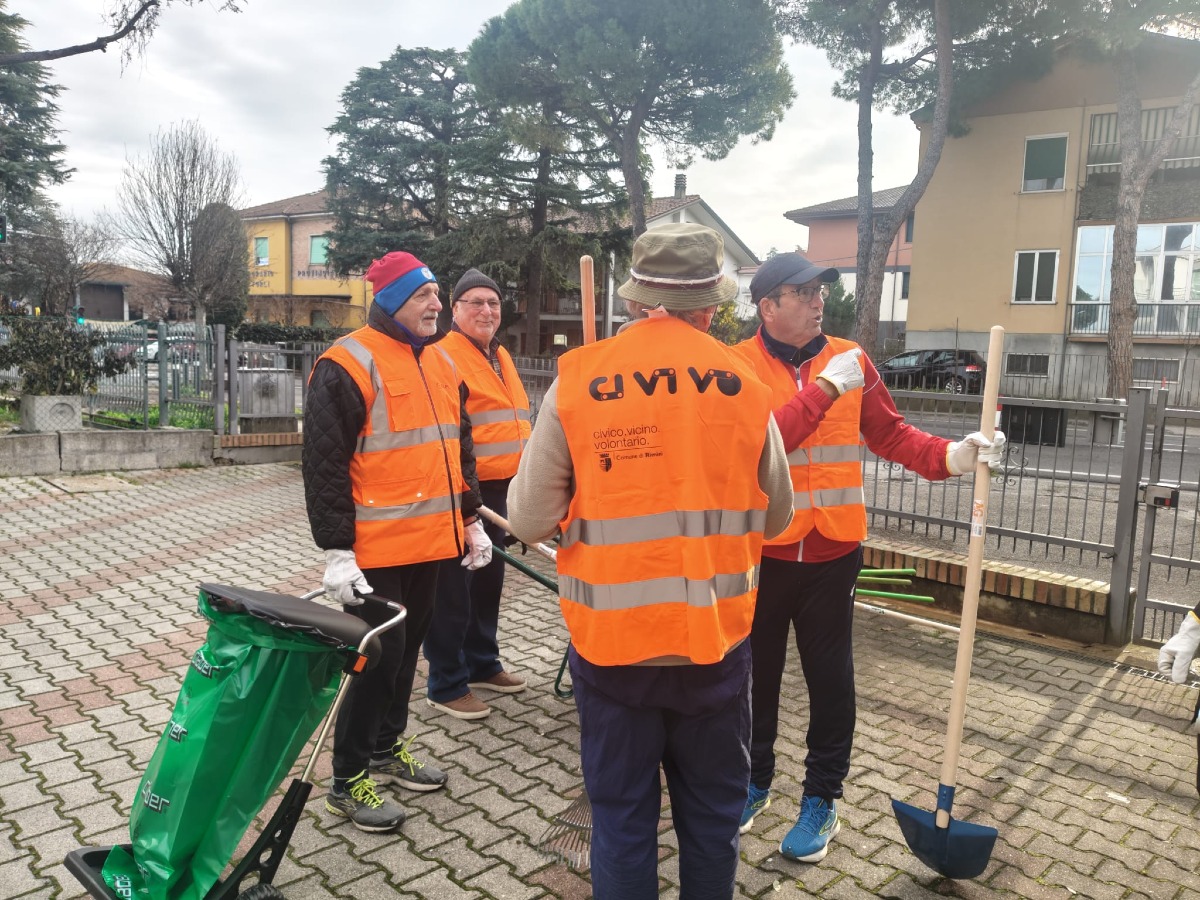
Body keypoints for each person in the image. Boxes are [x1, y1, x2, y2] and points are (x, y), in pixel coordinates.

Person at [507, 223, 795, 900]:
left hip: (612, 653)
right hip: (714, 651)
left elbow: (526, 520)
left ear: (637, 299)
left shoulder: (577, 378)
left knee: (622, 822)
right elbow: (778, 517)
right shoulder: (746, 383)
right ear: (710, 305)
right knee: (711, 823)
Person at [731, 251, 1005, 863]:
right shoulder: (736, 367)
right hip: (763, 549)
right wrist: (825, 392)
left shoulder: (852, 358)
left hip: (833, 549)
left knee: (831, 681)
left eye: (820, 290)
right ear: (767, 304)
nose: (817, 300)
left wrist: (953, 457)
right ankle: (752, 782)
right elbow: (758, 444)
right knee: (756, 676)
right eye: (802, 292)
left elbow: (891, 434)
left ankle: (821, 799)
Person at [302, 250, 491, 833]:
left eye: (436, 293)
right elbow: (325, 466)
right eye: (423, 296)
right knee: (374, 666)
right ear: (390, 302)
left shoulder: (438, 363)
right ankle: (346, 780)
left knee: (407, 658)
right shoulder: (346, 363)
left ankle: (388, 749)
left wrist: (471, 518)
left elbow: (455, 450)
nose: (436, 305)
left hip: (430, 545)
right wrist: (336, 551)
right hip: (374, 554)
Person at [423, 269, 530, 720]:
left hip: (504, 488)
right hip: (465, 491)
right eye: (476, 302)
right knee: (454, 588)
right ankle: (446, 682)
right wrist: (464, 498)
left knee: (489, 582)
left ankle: (482, 663)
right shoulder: (443, 354)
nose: (487, 311)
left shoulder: (499, 355)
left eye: (494, 303)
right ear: (455, 308)